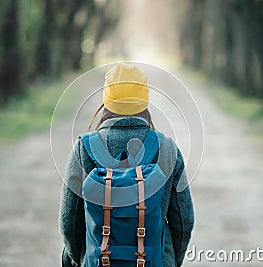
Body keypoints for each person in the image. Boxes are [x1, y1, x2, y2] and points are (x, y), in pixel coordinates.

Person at [59, 64, 194, 267]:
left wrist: (84, 257)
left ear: (106, 98)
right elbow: (184, 221)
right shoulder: (167, 149)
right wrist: (169, 259)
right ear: (145, 99)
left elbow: (69, 222)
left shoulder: (83, 148)